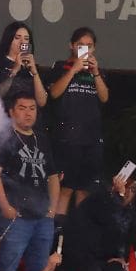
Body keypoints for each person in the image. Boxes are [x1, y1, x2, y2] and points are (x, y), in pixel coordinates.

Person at [0, 91, 61, 271]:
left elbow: (53, 176)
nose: (28, 113)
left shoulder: (42, 139)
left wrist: (53, 209)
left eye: (32, 108)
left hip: (43, 217)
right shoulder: (4, 138)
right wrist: (5, 207)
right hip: (16, 216)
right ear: (12, 112)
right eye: (22, 108)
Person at [46, 27, 109, 216]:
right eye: (81, 45)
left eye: (89, 46)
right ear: (72, 46)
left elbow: (104, 98)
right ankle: (58, 237)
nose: (85, 49)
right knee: (65, 189)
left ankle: (80, 234)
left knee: (85, 190)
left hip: (91, 139)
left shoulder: (97, 71)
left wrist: (96, 72)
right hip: (67, 139)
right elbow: (54, 93)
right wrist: (73, 69)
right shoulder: (60, 67)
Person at [0, 21, 48, 106]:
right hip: (6, 116)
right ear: (8, 40)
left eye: (26, 39)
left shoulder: (33, 67)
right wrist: (14, 71)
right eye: (17, 38)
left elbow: (42, 102)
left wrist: (35, 73)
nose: (22, 42)